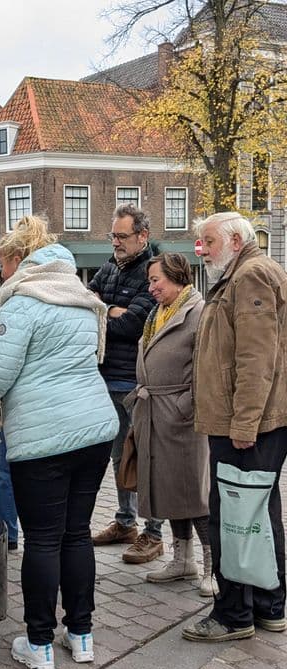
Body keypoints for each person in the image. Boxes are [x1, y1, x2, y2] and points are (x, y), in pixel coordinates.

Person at [0, 215, 118, 669]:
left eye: (3, 264)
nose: (2, 275)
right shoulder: (81, 298)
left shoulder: (22, 304)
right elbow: (95, 357)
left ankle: (39, 644)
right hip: (94, 430)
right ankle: (82, 634)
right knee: (76, 535)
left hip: (43, 440)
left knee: (43, 540)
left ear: (18, 260)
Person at [183, 212, 287, 643]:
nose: (200, 249)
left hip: (246, 425)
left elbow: (256, 359)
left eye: (207, 241)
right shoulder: (242, 274)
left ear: (235, 239)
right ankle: (268, 606)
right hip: (250, 422)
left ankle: (233, 615)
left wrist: (244, 423)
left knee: (234, 516)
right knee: (257, 513)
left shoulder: (250, 277)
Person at [127, 253, 214, 596]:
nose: (150, 288)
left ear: (177, 277)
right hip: (154, 413)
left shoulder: (197, 312)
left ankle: (213, 567)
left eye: (155, 281)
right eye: (149, 281)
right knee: (169, 490)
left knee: (195, 493)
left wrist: (185, 406)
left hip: (181, 418)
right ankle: (183, 559)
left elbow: (206, 368)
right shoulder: (156, 314)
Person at [89, 204, 164, 564]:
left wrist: (104, 311)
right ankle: (125, 521)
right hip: (106, 378)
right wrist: (106, 310)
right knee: (121, 458)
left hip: (135, 382)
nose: (115, 242)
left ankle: (154, 532)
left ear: (142, 236)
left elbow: (132, 326)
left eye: (122, 236)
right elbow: (85, 306)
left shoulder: (154, 273)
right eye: (113, 236)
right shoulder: (108, 267)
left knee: (145, 458)